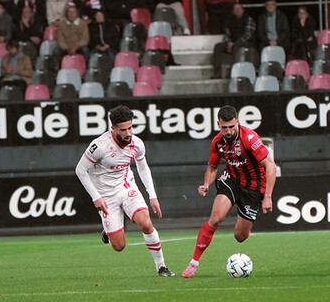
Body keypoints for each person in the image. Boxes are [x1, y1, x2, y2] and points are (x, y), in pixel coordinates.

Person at [74, 105, 175, 277]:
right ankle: (108, 230)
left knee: (146, 223)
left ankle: (161, 266)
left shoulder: (136, 144)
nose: (128, 133)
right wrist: (96, 197)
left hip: (127, 187)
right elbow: (80, 170)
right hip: (105, 196)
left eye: (130, 128)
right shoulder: (100, 146)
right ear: (112, 129)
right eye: (123, 130)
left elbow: (143, 168)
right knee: (119, 246)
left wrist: (152, 195)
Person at [181, 105, 276, 278]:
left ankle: (247, 226)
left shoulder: (249, 138)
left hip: (254, 188)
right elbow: (212, 167)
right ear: (218, 124)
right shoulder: (217, 142)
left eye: (232, 126)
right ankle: (193, 263)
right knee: (215, 219)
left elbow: (270, 165)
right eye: (224, 127)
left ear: (237, 122)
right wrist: (207, 184)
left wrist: (267, 197)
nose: (229, 131)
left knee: (239, 236)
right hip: (231, 181)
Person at [211, 2, 255, 78]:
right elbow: (227, 33)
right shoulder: (229, 20)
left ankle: (233, 71)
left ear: (243, 10)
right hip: (233, 43)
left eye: (239, 8)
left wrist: (235, 44)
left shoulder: (249, 19)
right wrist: (229, 43)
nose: (237, 10)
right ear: (233, 11)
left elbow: (248, 35)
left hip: (246, 43)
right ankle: (218, 72)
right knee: (218, 46)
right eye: (235, 9)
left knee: (237, 45)